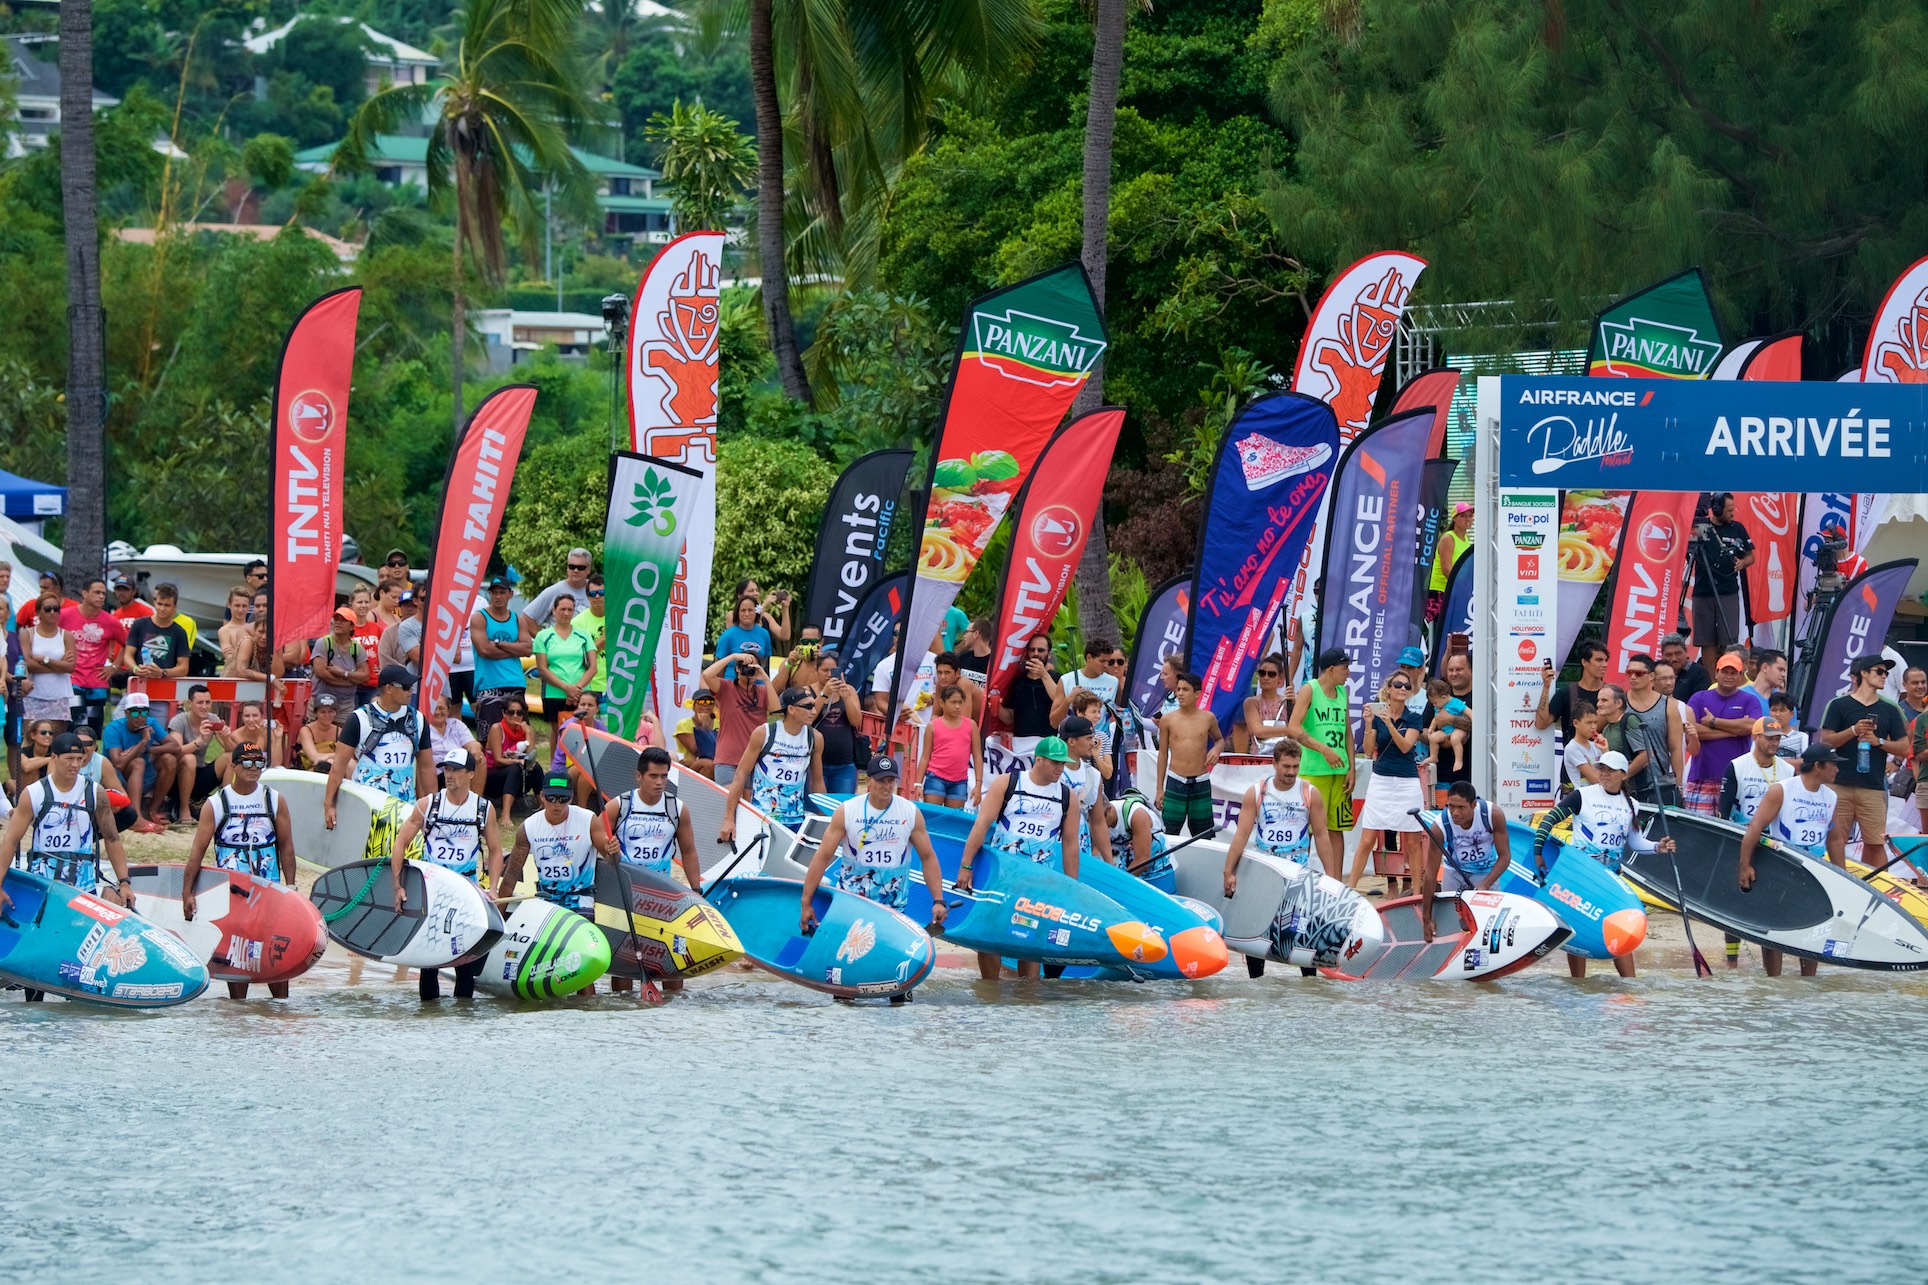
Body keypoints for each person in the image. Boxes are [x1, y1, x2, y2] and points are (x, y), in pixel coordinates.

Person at [799, 753, 947, 1001]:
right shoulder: (847, 811)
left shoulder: (910, 813)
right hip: (853, 905)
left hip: (893, 907)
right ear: (869, 781)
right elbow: (822, 857)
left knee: (898, 992)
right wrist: (806, 902)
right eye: (881, 781)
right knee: (846, 990)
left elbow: (929, 857)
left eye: (891, 780)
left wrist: (938, 900)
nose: (887, 787)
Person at [1532, 750, 1676, 978]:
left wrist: (1658, 847)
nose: (1604, 773)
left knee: (1619, 926)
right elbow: (1550, 819)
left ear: (1623, 775)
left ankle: (1629, 985)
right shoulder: (1582, 795)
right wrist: (1538, 851)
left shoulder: (1632, 805)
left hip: (1611, 876)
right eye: (1602, 769)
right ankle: (1578, 982)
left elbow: (1635, 843)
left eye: (1610, 770)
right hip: (1582, 874)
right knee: (1577, 926)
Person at [953, 737, 1083, 979]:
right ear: (1039, 759)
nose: (1060, 768)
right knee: (991, 932)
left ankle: (1028, 993)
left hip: (1039, 880)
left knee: (1030, 935)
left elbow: (1070, 844)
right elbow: (981, 825)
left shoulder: (1068, 797)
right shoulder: (1008, 783)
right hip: (1003, 876)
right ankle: (989, 988)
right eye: (1055, 762)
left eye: (1063, 763)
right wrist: (966, 865)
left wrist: (1071, 887)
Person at [180, 744, 296, 999]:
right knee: (238, 949)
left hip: (270, 889)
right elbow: (197, 853)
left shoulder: (274, 799)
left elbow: (287, 848)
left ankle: (280, 1005)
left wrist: (292, 888)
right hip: (232, 892)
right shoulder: (216, 803)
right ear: (233, 767)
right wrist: (187, 893)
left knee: (272, 946)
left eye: (259, 762)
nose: (253, 768)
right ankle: (239, 1008)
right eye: (247, 762)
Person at [390, 749, 504, 1000]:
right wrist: (397, 886)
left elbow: (495, 851)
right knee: (429, 962)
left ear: (471, 774)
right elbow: (400, 843)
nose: (449, 775)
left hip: (467, 892)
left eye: (455, 770)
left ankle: (462, 1022)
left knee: (464, 964)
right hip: (433, 891)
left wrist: (493, 887)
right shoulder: (427, 805)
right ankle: (429, 1018)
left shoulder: (483, 808)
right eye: (447, 769)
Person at [0, 733, 136, 936]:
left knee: (78, 935)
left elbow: (112, 838)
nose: (75, 765)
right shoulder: (34, 793)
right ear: (54, 758)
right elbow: (11, 840)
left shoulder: (95, 792)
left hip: (83, 881)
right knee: (45, 935)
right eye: (69, 759)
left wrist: (124, 882)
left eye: (79, 759)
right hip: (43, 882)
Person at [1737, 744, 1847, 976]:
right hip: (1783, 865)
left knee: (1814, 925)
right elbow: (1755, 828)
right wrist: (1744, 866)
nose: (1837, 769)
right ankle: (1774, 979)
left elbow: (1835, 840)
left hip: (1815, 869)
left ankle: (1808, 981)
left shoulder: (1832, 796)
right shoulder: (1781, 790)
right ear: (1818, 766)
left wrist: (1843, 879)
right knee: (1776, 926)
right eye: (1833, 764)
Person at [499, 776, 619, 969]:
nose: (557, 804)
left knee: (582, 964)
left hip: (579, 902)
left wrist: (613, 850)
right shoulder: (528, 827)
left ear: (571, 798)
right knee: (543, 964)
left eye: (563, 799)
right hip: (546, 903)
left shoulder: (588, 820)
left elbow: (612, 861)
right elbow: (511, 876)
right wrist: (499, 922)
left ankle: (587, 1000)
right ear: (542, 797)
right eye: (552, 798)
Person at [1817, 653, 1910, 870]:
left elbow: (1905, 748)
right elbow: (1825, 741)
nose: (1884, 676)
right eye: (1879, 671)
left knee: (1875, 843)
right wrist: (1852, 731)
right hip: (1839, 783)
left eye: (1886, 672)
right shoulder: (1839, 704)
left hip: (1874, 786)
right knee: (1835, 840)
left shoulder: (1890, 708)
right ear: (1864, 673)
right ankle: (1834, 884)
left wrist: (1878, 741)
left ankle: (1877, 892)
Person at [325, 665, 435, 824]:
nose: (410, 691)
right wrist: (329, 804)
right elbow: (339, 765)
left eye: (411, 687)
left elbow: (426, 766)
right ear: (388, 688)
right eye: (405, 687)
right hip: (365, 805)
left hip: (405, 807)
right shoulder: (358, 719)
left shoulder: (418, 719)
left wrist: (434, 807)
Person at [1348, 674, 1427, 893]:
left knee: (1412, 842)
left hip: (1407, 781)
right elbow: (1368, 748)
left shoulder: (1414, 718)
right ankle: (1350, 890)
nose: (1403, 688)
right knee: (1367, 839)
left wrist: (1389, 724)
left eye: (1406, 685)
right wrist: (1368, 724)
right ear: (1389, 689)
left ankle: (1418, 893)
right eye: (1398, 685)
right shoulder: (1378, 715)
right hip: (1381, 780)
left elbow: (1405, 746)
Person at [719, 686, 824, 842]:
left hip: (795, 818)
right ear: (791, 709)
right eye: (808, 707)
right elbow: (741, 774)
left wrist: (823, 820)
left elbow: (817, 781)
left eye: (814, 706)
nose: (814, 712)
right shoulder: (764, 733)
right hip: (763, 815)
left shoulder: (815, 738)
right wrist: (729, 818)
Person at [1415, 781, 1515, 944]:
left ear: (1473, 804)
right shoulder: (1439, 827)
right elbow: (1431, 874)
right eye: (1450, 806)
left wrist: (1484, 885)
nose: (1455, 813)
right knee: (1453, 925)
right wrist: (1426, 918)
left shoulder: (1492, 814)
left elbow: (1505, 857)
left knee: (1488, 926)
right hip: (1454, 872)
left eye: (1461, 807)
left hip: (1486, 872)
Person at [1684, 653, 1767, 816]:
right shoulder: (1699, 698)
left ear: (1740, 676)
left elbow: (1752, 726)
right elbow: (1693, 731)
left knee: (1734, 830)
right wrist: (1735, 731)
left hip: (1738, 779)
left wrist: (1714, 722)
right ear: (1716, 673)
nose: (1728, 676)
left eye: (1733, 672)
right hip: (1702, 775)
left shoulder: (1750, 700)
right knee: (1698, 830)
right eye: (1724, 671)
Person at [1289, 647, 1355, 837]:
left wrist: (1351, 768)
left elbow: (1347, 732)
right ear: (1332, 669)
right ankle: (1301, 867)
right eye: (1345, 668)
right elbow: (1293, 727)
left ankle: (1334, 869)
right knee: (1306, 828)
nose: (1348, 673)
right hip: (1314, 770)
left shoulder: (1342, 692)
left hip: (1340, 770)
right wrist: (1324, 750)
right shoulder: (1310, 689)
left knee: (1337, 829)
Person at [1156, 673, 1222, 839]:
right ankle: (1167, 864)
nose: (1180, 693)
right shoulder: (1167, 719)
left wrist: (1216, 750)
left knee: (1204, 835)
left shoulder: (1208, 718)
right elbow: (1163, 754)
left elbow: (1220, 739)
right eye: (1178, 689)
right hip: (1175, 780)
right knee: (1168, 833)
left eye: (1185, 689)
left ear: (1197, 694)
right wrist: (1159, 789)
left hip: (1201, 781)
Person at [531, 595, 596, 766]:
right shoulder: (543, 636)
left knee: (584, 732)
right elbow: (542, 669)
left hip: (581, 694)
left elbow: (592, 667)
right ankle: (556, 772)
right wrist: (566, 688)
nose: (566, 613)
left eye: (570, 609)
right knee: (560, 733)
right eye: (562, 609)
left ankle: (583, 770)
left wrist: (576, 689)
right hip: (554, 692)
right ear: (554, 611)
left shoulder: (583, 635)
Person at [1690, 492, 1755, 660]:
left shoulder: (1737, 528)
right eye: (1729, 510)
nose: (1732, 513)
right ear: (1717, 509)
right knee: (1706, 641)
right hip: (1703, 592)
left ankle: (1728, 674)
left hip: (1728, 592)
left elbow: (1750, 556)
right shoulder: (1701, 528)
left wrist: (1742, 563)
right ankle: (1712, 682)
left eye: (1733, 509)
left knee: (1729, 639)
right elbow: (1689, 552)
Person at [102, 692, 179, 832]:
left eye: (144, 712)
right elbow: (118, 763)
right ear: (126, 713)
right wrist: (143, 742)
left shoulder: (151, 723)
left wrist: (149, 750)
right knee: (138, 762)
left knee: (169, 759)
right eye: (135, 713)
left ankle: (153, 810)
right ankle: (135, 817)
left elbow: (175, 747)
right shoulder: (113, 728)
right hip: (118, 779)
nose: (140, 717)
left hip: (144, 776)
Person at [471, 577, 536, 734]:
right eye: (494, 593)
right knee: (488, 736)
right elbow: (484, 650)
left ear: (510, 594)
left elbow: (528, 649)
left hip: (515, 682)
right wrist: (515, 648)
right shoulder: (480, 618)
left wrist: (499, 643)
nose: (498, 596)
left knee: (519, 735)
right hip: (489, 684)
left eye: (502, 592)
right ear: (490, 594)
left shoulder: (517, 619)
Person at [703, 646, 774, 786]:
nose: (748, 670)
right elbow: (707, 675)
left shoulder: (763, 691)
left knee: (750, 807)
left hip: (756, 760)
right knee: (728, 803)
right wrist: (733, 656)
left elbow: (777, 711)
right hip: (728, 759)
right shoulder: (726, 688)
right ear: (737, 668)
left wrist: (765, 679)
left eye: (752, 666)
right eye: (744, 666)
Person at [121, 582, 191, 723]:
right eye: (159, 604)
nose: (162, 609)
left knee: (158, 731)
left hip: (162, 692)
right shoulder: (140, 624)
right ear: (154, 602)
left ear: (174, 607)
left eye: (167, 605)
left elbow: (184, 667)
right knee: (121, 721)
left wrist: (163, 672)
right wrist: (135, 668)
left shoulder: (179, 632)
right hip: (137, 688)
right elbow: (127, 655)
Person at [67, 578, 128, 733]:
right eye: (96, 592)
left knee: (92, 731)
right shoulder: (66, 615)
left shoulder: (110, 621)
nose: (101, 596)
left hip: (97, 682)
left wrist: (114, 667)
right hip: (73, 680)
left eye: (103, 593)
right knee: (77, 726)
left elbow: (129, 643)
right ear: (85, 593)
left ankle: (91, 758)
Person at [1623, 653, 1683, 805]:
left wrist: (1679, 785)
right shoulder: (1620, 703)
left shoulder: (1667, 705)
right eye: (1629, 672)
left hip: (1658, 783)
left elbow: (1675, 749)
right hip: (1624, 783)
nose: (1633, 677)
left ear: (1651, 676)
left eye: (1638, 673)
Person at [1058, 713, 1116, 869]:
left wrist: (1109, 863)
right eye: (1088, 738)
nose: (1094, 743)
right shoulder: (1054, 772)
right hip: (1054, 849)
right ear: (1071, 742)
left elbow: (1098, 822)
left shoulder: (1093, 775)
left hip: (1080, 851)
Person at [996, 634, 1061, 758]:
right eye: (1032, 650)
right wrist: (996, 707)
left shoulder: (1057, 678)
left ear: (1049, 654)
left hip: (1048, 742)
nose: (1036, 654)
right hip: (1021, 746)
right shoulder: (1018, 681)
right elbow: (1010, 717)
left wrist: (1043, 675)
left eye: (1041, 650)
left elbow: (1059, 701)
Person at [167, 684, 227, 818]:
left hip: (200, 775)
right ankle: (184, 810)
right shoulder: (179, 721)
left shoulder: (213, 719)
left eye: (208, 702)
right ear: (189, 704)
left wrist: (227, 737)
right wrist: (199, 741)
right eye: (200, 702)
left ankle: (228, 807)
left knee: (228, 758)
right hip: (178, 778)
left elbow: (232, 751)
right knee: (189, 758)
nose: (204, 706)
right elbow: (175, 751)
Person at [919, 684, 982, 809]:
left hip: (959, 780)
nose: (957, 706)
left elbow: (977, 756)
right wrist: (918, 784)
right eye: (953, 702)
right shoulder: (933, 726)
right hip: (935, 777)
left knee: (952, 821)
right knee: (932, 818)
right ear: (942, 703)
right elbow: (925, 757)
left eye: (960, 702)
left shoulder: (971, 725)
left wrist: (978, 785)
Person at [807, 650, 861, 794]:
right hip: (816, 762)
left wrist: (846, 697)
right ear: (816, 670)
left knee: (840, 808)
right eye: (825, 670)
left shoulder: (849, 690)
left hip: (844, 763)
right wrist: (824, 694)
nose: (829, 674)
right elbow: (808, 718)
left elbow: (856, 722)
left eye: (833, 670)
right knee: (815, 808)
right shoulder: (808, 691)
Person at [1535, 639, 1609, 740]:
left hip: (1603, 754)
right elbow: (1541, 724)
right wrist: (1546, 687)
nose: (1604, 665)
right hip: (1572, 754)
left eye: (1606, 660)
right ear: (1584, 662)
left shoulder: (1611, 694)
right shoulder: (1566, 693)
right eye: (1599, 660)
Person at [22, 594, 75, 734]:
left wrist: (45, 660)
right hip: (33, 695)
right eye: (47, 609)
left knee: (56, 742)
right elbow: (28, 664)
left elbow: (70, 667)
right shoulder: (28, 634)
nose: (52, 612)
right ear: (38, 612)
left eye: (56, 609)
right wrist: (59, 665)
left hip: (58, 696)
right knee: (30, 738)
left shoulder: (66, 636)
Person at [484, 697, 535, 822]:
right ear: (504, 713)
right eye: (511, 712)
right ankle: (505, 815)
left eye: (520, 713)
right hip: (493, 777)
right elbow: (498, 760)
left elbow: (531, 757)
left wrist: (528, 733)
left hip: (516, 777)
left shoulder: (525, 730)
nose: (515, 716)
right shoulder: (497, 728)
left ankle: (544, 808)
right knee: (514, 769)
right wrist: (518, 762)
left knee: (537, 768)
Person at [548, 690, 604, 804]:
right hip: (564, 771)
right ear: (577, 706)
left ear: (597, 708)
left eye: (590, 705)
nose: (586, 708)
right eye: (583, 704)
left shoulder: (601, 726)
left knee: (592, 768)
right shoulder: (569, 727)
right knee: (586, 768)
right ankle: (581, 807)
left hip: (590, 771)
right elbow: (576, 757)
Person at [1594, 685, 1650, 789]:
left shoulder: (1629, 721)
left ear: (1618, 703)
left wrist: (1623, 776)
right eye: (1598, 700)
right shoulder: (1606, 728)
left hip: (1635, 788)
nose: (1598, 704)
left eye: (1604, 700)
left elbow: (1646, 754)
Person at [311, 607, 368, 709]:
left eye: (343, 620)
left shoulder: (357, 648)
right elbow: (321, 673)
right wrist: (350, 682)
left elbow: (365, 676)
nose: (338, 622)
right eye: (336, 619)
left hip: (346, 704)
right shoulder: (323, 643)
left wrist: (343, 673)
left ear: (351, 626)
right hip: (321, 703)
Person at [1241, 653, 1295, 756]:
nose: (1266, 677)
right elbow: (1258, 730)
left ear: (1280, 679)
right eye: (1262, 673)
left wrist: (1295, 703)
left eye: (1271, 674)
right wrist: (1290, 730)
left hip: (1287, 757)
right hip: (1260, 758)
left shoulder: (1287, 702)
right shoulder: (1251, 703)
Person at [522, 550, 594, 626]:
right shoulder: (554, 591)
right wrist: (543, 637)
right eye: (572, 567)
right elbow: (527, 617)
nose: (576, 570)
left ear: (589, 569)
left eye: (581, 567)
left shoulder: (596, 590)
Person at [1427, 503, 1473, 618]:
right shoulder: (1448, 538)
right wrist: (1463, 587)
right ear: (1454, 519)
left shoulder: (1466, 539)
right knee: (1442, 630)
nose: (1467, 519)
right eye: (1463, 516)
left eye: (1470, 516)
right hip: (1440, 592)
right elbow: (1447, 570)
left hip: (1455, 591)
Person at [1055, 639, 1119, 721]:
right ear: (1089, 658)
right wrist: (1068, 700)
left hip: (1102, 733)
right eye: (1102, 661)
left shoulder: (1113, 682)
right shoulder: (1066, 679)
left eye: (1108, 661)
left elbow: (1119, 714)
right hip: (1073, 733)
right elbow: (1054, 722)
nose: (1106, 665)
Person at [715, 595, 774, 680]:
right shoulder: (728, 635)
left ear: (756, 611)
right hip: (732, 684)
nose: (747, 614)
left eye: (750, 610)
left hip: (757, 685)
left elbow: (765, 660)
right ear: (737, 613)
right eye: (743, 610)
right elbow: (719, 665)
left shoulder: (764, 634)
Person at [427, 694, 483, 781]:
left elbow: (471, 743)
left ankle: (475, 794)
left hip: (458, 766)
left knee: (480, 758)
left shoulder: (456, 724)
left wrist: (475, 747)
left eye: (441, 708)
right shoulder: (424, 727)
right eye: (434, 708)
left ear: (448, 710)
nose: (437, 712)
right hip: (436, 771)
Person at [1422, 678, 1467, 776]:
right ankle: (1434, 756)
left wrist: (1473, 720)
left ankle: (1458, 760)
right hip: (1445, 730)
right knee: (1433, 738)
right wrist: (1431, 728)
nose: (1434, 705)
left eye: (1435, 703)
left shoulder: (1455, 702)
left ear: (1443, 697)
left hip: (1457, 729)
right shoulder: (1438, 705)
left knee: (1455, 739)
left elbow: (1469, 712)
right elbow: (1436, 718)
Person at [348, 586, 384, 705]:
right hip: (352, 684)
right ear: (351, 604)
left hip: (373, 685)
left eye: (366, 602)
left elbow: (386, 651)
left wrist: (383, 668)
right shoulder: (346, 629)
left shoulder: (376, 628)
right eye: (359, 602)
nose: (363, 605)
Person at [378, 589, 423, 680]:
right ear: (400, 607)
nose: (409, 609)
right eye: (405, 605)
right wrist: (406, 672)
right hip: (397, 682)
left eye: (413, 606)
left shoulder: (427, 629)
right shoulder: (389, 632)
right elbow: (385, 659)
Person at [576, 574, 608, 702]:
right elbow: (582, 657)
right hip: (591, 686)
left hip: (618, 685)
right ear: (588, 596)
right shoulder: (578, 623)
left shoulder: (620, 618)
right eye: (593, 593)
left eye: (602, 592)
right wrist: (604, 638)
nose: (598, 596)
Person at [675, 690, 718, 779]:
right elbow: (697, 751)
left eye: (709, 702)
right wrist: (704, 727)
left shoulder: (720, 724)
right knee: (708, 764)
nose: (705, 704)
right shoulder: (684, 724)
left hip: (716, 763)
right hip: (689, 766)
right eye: (701, 701)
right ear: (693, 705)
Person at [297, 693, 343, 773]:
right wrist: (333, 757)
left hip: (331, 769)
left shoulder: (339, 732)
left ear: (335, 713)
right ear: (316, 713)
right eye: (322, 712)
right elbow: (313, 757)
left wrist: (328, 756)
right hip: (307, 769)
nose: (327, 715)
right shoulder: (306, 730)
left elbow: (344, 755)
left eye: (330, 711)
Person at [1563, 701, 1604, 789]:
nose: (1593, 727)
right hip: (1584, 797)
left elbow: (1611, 772)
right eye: (1589, 723)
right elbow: (1595, 779)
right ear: (1576, 723)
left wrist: (1605, 749)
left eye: (1595, 722)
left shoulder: (1596, 746)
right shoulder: (1572, 748)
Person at [216, 585, 255, 678]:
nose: (241, 610)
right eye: (237, 605)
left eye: (244, 606)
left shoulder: (253, 628)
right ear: (229, 605)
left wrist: (236, 652)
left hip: (252, 676)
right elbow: (228, 655)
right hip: (231, 677)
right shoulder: (225, 630)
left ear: (249, 606)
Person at [1662, 633, 1709, 700]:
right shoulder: (1655, 671)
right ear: (1662, 656)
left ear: (1686, 652)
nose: (1674, 659)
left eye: (1678, 654)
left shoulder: (1699, 673)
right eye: (1669, 655)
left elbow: (1699, 702)